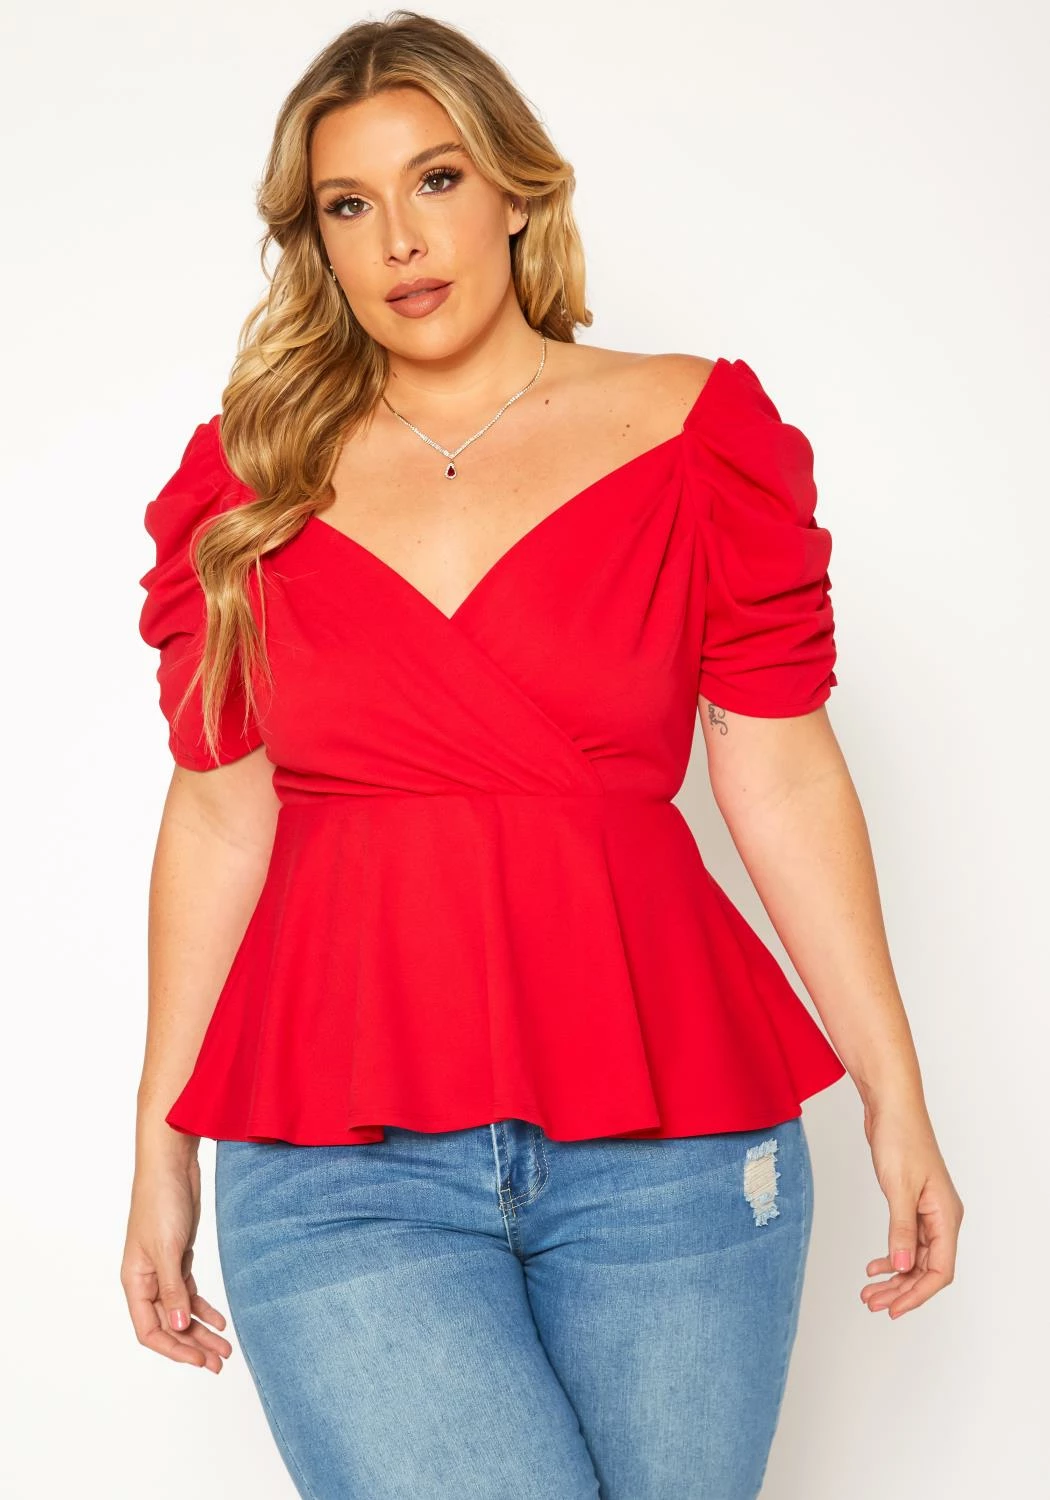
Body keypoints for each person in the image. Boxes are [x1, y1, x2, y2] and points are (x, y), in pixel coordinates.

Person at [121, 11, 964, 1499]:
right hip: (340, 1159)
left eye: (436, 179)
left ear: (515, 189)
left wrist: (895, 1090)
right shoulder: (248, 482)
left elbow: (778, 773)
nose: (400, 238)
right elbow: (219, 819)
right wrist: (160, 1142)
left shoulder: (693, 432)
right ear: (315, 242)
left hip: (674, 1146)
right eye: (348, 204)